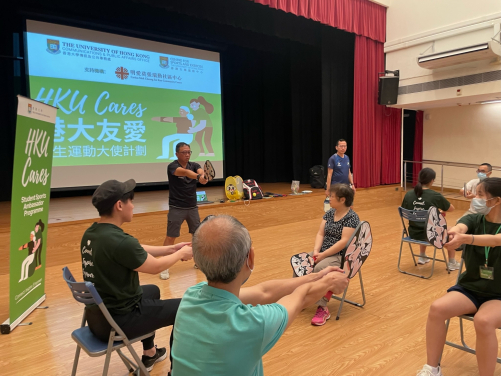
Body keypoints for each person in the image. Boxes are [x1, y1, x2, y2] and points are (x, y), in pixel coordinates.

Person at [171, 215, 349, 376]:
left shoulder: (191, 295)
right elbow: (300, 298)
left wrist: (314, 276)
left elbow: (264, 292)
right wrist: (329, 282)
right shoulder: (252, 323)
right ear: (250, 258)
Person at [81, 178, 193, 373]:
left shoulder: (92, 233)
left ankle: (149, 354)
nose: (133, 206)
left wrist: (171, 249)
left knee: (152, 290)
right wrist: (180, 254)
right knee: (184, 308)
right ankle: (178, 371)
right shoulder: (120, 241)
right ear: (119, 205)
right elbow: (155, 267)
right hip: (119, 322)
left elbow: (136, 250)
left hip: (97, 319)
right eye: (130, 201)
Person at [417, 177, 501, 376]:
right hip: (471, 287)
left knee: (484, 321)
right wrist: (452, 234)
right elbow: (460, 227)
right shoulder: (473, 219)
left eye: (480, 195)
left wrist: (467, 239)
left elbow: (497, 240)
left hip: (498, 294)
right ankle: (432, 368)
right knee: (437, 309)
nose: (475, 198)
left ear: (496, 201)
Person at [302, 183, 360, 326]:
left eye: (332, 196)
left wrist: (323, 255)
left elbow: (344, 242)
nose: (329, 198)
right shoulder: (329, 213)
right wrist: (316, 251)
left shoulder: (352, 217)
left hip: (340, 256)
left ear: (342, 200)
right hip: (323, 252)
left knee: (319, 268)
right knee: (302, 261)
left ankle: (322, 308)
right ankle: (300, 298)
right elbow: (320, 233)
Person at [160, 142, 208, 280]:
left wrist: (203, 176)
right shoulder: (172, 167)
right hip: (176, 208)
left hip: (192, 207)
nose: (187, 155)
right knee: (171, 236)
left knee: (197, 235)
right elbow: (186, 173)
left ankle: (198, 262)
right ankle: (164, 266)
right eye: (184, 152)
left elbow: (199, 171)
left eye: (189, 152)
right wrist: (199, 177)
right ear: (177, 154)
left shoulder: (195, 165)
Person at [401, 168, 457, 269]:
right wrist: (436, 213)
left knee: (425, 224)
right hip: (431, 235)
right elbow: (451, 209)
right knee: (452, 231)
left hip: (413, 233)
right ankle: (452, 262)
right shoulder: (435, 195)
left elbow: (405, 209)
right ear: (432, 180)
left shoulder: (409, 194)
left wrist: (426, 213)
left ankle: (422, 256)